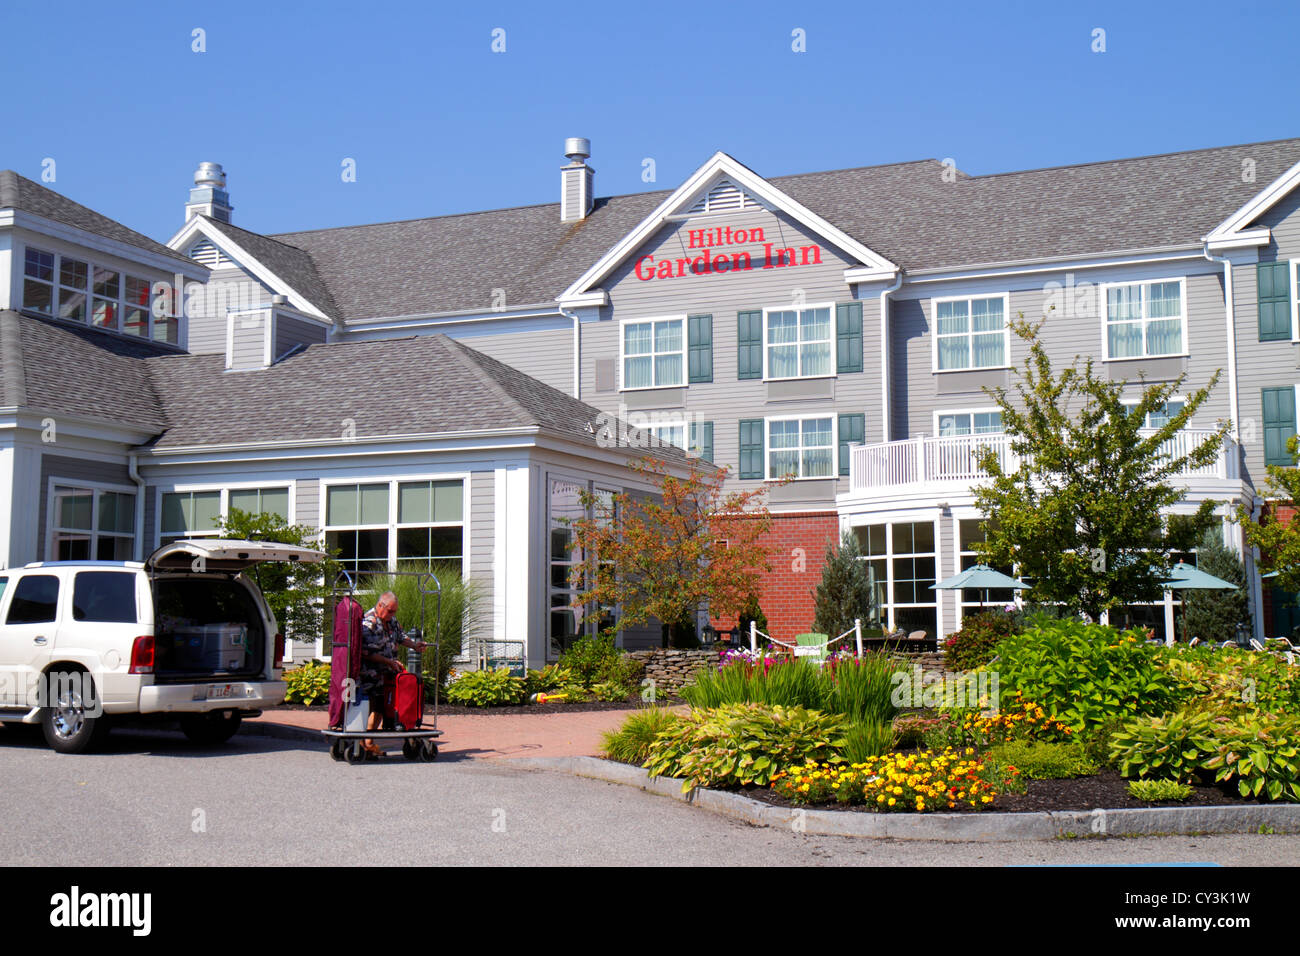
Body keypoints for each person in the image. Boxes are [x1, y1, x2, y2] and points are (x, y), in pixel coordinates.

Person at [359, 591, 427, 757]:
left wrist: (414, 645)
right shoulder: (369, 622)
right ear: (380, 605)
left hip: (388, 672)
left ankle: (368, 743)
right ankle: (362, 742)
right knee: (371, 705)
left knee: (382, 707)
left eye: (394, 611)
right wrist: (388, 662)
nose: (392, 614)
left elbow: (400, 636)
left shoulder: (391, 620)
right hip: (371, 672)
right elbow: (366, 652)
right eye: (390, 611)